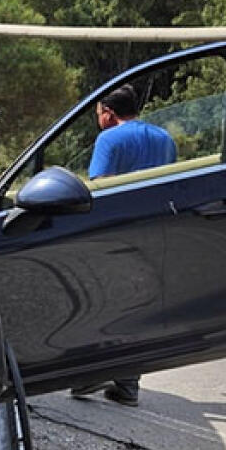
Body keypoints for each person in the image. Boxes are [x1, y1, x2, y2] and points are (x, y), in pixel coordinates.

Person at [72, 84, 176, 407]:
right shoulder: (165, 139)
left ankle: (91, 373)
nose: (98, 121)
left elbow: (100, 186)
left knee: (100, 300)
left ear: (109, 113)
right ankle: (128, 384)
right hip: (156, 231)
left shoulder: (109, 139)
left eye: (98, 114)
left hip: (118, 232)